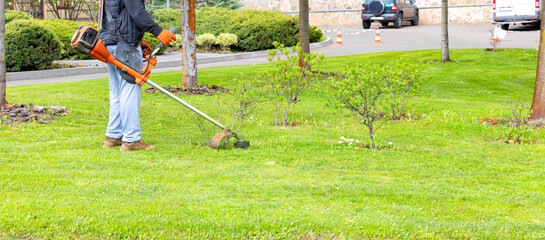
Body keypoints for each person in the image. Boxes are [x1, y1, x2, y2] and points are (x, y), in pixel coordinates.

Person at [98, 0, 175, 151]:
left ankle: (113, 136)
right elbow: (137, 12)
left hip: (110, 45)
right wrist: (158, 31)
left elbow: (117, 15)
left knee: (117, 93)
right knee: (130, 91)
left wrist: (137, 39)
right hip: (125, 46)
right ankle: (131, 140)